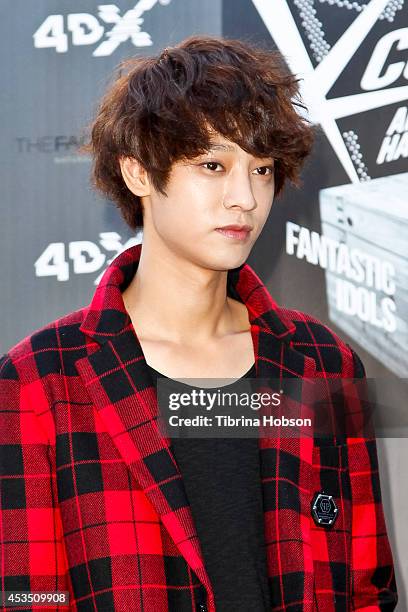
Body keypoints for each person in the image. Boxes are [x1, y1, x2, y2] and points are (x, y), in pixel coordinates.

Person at [0, 35, 397, 612]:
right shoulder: (37, 381)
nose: (245, 197)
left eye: (261, 169)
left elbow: (365, 588)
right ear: (137, 173)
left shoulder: (321, 361)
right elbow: (27, 597)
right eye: (212, 165)